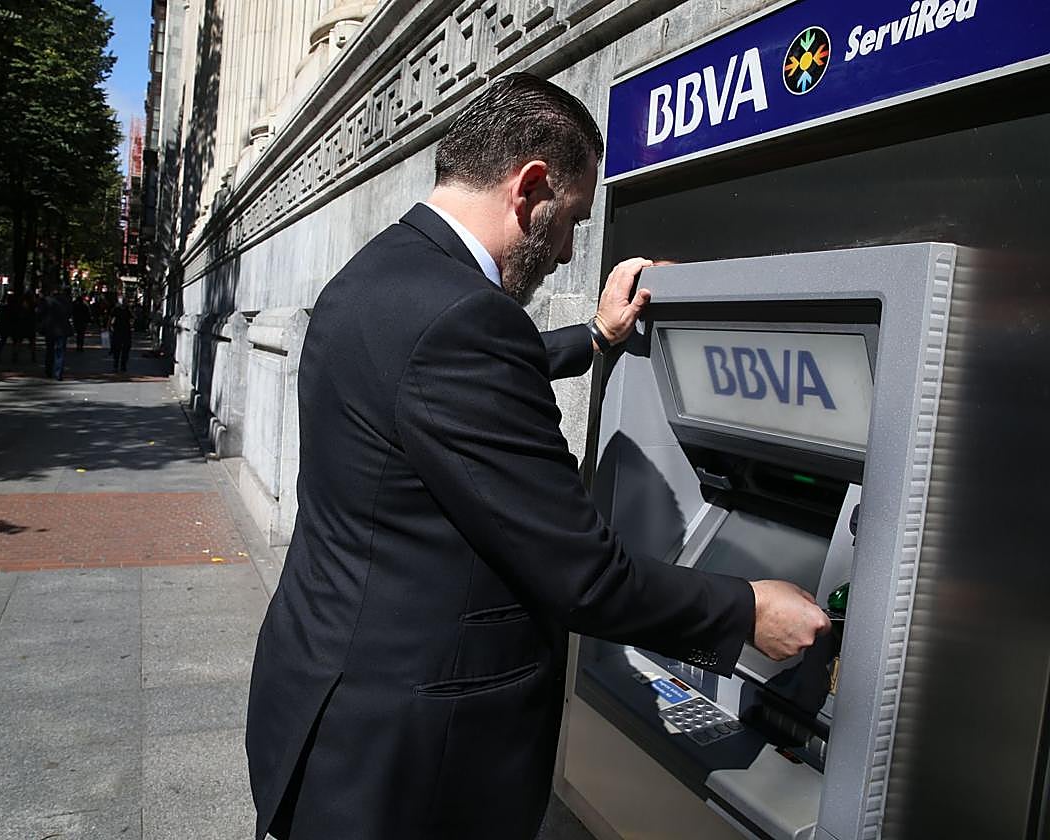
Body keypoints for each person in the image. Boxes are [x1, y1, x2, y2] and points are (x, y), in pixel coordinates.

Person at [244, 73, 830, 840]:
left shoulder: (380, 274)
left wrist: (592, 336)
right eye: (573, 219)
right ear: (531, 188)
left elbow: (433, 382)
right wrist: (746, 609)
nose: (567, 250)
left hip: (326, 698)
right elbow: (582, 575)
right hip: (410, 760)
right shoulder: (463, 321)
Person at [39, 286, 71, 380]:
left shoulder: (47, 301)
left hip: (50, 328)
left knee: (49, 350)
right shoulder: (66, 301)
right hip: (62, 329)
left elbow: (40, 313)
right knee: (60, 352)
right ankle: (58, 373)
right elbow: (69, 313)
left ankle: (48, 371)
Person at [108, 297, 132, 373]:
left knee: (125, 350)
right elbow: (111, 318)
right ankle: (117, 365)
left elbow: (134, 317)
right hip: (118, 331)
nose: (125, 303)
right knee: (117, 349)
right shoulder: (116, 309)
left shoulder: (128, 310)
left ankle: (122, 365)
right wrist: (109, 326)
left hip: (125, 332)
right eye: (124, 302)